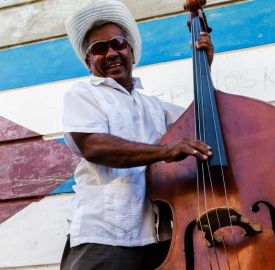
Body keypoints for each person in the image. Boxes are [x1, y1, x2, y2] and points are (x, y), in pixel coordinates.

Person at [61, 0, 214, 269]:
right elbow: (94, 146)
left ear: (131, 51)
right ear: (88, 62)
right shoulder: (84, 93)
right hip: (104, 235)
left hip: (161, 238)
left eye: (118, 44)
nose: (111, 53)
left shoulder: (154, 107)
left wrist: (205, 68)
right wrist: (165, 151)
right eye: (99, 49)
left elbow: (202, 125)